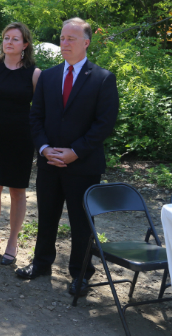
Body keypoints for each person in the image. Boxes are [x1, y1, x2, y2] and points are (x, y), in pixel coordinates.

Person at [16, 18, 119, 298]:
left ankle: (81, 275)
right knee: (46, 217)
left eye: (71, 38)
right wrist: (44, 148)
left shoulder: (102, 78)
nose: (65, 43)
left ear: (86, 42)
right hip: (49, 162)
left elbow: (104, 123)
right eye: (62, 38)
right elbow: (35, 117)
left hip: (83, 166)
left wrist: (76, 151)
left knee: (81, 223)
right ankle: (41, 264)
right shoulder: (47, 77)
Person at [0, 22, 41, 265]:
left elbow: (38, 110)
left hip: (21, 138)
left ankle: (13, 241)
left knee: (17, 190)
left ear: (25, 45)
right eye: (6, 38)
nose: (9, 42)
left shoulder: (35, 73)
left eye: (15, 39)